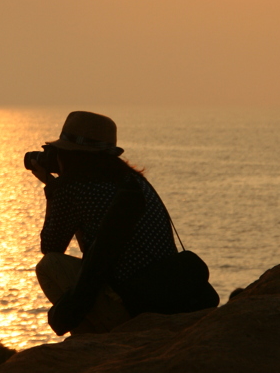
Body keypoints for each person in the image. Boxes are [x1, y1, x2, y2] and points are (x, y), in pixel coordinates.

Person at [25, 111, 219, 336]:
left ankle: (87, 339)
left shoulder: (73, 187)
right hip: (165, 294)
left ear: (69, 154)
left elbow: (51, 247)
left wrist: (53, 188)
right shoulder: (134, 181)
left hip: (127, 305)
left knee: (49, 265)